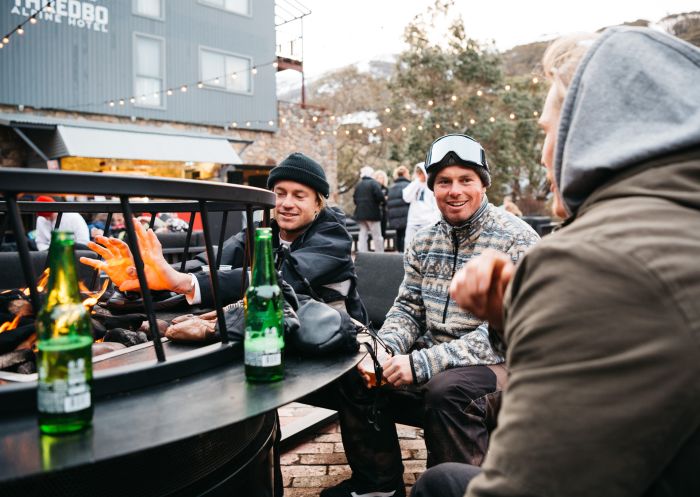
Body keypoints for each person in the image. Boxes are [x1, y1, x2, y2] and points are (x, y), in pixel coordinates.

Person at [411, 26, 700, 497]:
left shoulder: (586, 258)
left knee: (437, 484)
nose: (547, 155)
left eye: (550, 132)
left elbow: (527, 481)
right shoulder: (676, 226)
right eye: (443, 181)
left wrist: (535, 306)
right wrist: (515, 312)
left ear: (590, 134)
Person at [315, 134, 540, 497]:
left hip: (507, 366)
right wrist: (383, 351)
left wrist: (420, 364)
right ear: (431, 186)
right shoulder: (422, 240)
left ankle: (460, 490)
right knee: (360, 372)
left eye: (466, 180)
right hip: (436, 357)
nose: (454, 190)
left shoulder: (517, 239)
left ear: (483, 184)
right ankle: (379, 487)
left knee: (449, 391)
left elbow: (503, 334)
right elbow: (408, 308)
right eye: (443, 182)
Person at [81, 152, 368, 325]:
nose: (286, 203)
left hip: (343, 336)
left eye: (299, 195)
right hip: (282, 330)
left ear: (318, 203)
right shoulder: (262, 232)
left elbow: (277, 280)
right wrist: (153, 272)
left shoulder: (332, 235)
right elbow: (214, 259)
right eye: (280, 194)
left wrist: (181, 282)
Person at [402, 162, 440, 246]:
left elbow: (436, 205)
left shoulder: (431, 186)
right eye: (418, 173)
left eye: (421, 172)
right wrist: (417, 182)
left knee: (426, 245)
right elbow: (406, 198)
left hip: (427, 222)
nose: (420, 175)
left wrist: (433, 220)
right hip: (413, 222)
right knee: (409, 244)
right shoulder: (415, 184)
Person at [353, 166, 385, 253]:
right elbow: (380, 197)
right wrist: (382, 202)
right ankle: (380, 254)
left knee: (363, 234)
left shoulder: (358, 185)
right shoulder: (374, 183)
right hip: (373, 214)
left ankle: (362, 253)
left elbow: (355, 199)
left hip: (360, 214)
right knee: (377, 236)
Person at [386, 165, 411, 253]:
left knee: (398, 235)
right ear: (405, 174)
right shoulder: (409, 185)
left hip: (395, 217)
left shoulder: (391, 187)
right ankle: (405, 254)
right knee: (405, 236)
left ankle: (399, 253)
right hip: (406, 215)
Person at [373, 169, 390, 240]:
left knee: (383, 231)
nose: (380, 179)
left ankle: (382, 248)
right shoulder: (373, 187)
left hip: (384, 211)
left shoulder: (386, 189)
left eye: (382, 178)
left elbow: (387, 199)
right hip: (375, 212)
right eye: (379, 177)